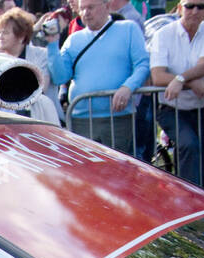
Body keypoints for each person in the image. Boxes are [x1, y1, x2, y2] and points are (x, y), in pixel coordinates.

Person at [47, 0, 151, 154]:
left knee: (118, 170)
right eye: (82, 9)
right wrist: (52, 45)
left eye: (91, 8)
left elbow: (142, 65)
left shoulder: (128, 29)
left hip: (118, 117)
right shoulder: (73, 39)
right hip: (80, 118)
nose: (86, 13)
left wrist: (127, 87)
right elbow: (60, 77)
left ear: (107, 6)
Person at [150, 1, 204, 186]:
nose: (195, 11)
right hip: (171, 107)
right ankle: (188, 201)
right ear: (180, 8)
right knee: (188, 145)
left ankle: (198, 199)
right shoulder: (163, 34)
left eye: (201, 6)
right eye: (190, 6)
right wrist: (190, 82)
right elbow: (157, 76)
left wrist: (180, 80)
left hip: (203, 107)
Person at [0, 7, 66, 121]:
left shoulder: (41, 55)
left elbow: (41, 88)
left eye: (5, 33)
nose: (0, 37)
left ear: (21, 36)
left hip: (41, 119)